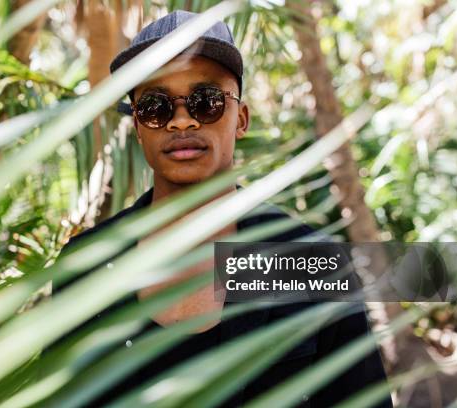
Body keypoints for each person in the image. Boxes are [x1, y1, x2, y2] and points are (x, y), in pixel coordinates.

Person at [49, 10, 392, 407]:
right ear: (139, 127)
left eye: (205, 102)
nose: (180, 122)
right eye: (156, 107)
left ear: (240, 119)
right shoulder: (88, 264)